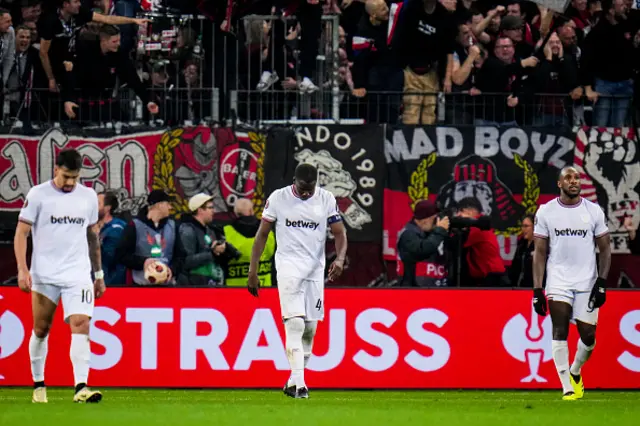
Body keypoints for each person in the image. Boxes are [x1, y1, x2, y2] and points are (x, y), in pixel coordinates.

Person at [247, 163, 348, 399]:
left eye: (310, 188)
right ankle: (301, 385)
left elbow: (340, 232)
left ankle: (293, 381)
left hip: (315, 270)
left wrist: (340, 259)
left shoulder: (326, 199)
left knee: (310, 330)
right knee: (294, 324)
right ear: (294, 181)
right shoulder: (278, 198)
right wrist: (254, 270)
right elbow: (262, 234)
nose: (306, 193)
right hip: (288, 266)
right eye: (302, 188)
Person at [14, 148, 104, 403]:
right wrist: (23, 269)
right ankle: (39, 384)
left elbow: (92, 236)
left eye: (74, 177)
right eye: (66, 176)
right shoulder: (38, 194)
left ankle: (81, 387)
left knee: (81, 324)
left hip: (77, 273)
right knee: (42, 329)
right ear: (56, 170)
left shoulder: (87, 197)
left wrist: (98, 274)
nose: (70, 182)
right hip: (45, 274)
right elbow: (22, 233)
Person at [532, 166, 611, 400]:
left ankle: (576, 371)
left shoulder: (593, 211)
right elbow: (539, 251)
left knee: (588, 336)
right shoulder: (546, 211)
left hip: (587, 281)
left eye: (576, 178)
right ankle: (567, 386)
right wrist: (537, 289)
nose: (573, 181)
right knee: (560, 328)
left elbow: (605, 249)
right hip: (558, 280)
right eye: (568, 178)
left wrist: (602, 282)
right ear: (560, 184)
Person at [176, 193, 241, 286]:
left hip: (210, 282)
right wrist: (212, 253)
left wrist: (224, 252)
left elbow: (211, 255)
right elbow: (185, 262)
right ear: (200, 210)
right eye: (210, 208)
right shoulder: (187, 230)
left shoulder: (209, 229)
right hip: (194, 286)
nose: (213, 211)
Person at [116, 189, 177, 285]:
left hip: (167, 287)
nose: (170, 207)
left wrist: (172, 269)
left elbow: (181, 256)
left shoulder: (172, 226)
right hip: (141, 287)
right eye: (167, 203)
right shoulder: (134, 226)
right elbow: (121, 255)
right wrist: (143, 262)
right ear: (158, 205)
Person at [396, 199, 450, 287]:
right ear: (425, 220)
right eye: (434, 219)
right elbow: (423, 249)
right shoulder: (408, 234)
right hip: (412, 290)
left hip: (428, 287)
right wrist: (440, 230)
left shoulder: (426, 233)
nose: (436, 223)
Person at [224, 198, 276, 287]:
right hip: (265, 288)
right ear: (252, 211)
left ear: (236, 213)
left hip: (234, 291)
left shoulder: (226, 231)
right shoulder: (268, 230)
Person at [98, 190, 127, 285]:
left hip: (110, 284)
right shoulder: (91, 226)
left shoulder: (116, 229)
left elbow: (110, 259)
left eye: (98, 204)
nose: (93, 207)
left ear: (107, 208)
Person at [509, 214, 535, 287]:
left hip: (534, 288)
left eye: (526, 226)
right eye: (522, 226)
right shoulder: (521, 245)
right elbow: (514, 267)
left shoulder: (540, 246)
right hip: (519, 287)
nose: (523, 229)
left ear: (534, 227)